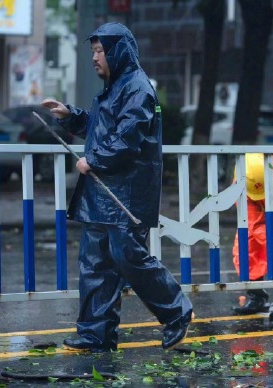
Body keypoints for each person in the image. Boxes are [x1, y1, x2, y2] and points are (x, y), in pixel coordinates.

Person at [40, 22, 192, 352]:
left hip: (125, 193)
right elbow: (101, 128)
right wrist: (71, 116)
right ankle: (96, 334)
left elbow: (127, 139)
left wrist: (93, 160)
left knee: (129, 258)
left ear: (118, 51)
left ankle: (177, 312)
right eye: (93, 50)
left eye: (99, 51)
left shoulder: (137, 89)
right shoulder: (116, 85)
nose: (95, 57)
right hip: (102, 192)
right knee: (95, 264)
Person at [232, 153, 273, 314]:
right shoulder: (239, 187)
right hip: (262, 220)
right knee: (246, 249)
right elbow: (256, 225)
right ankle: (257, 295)